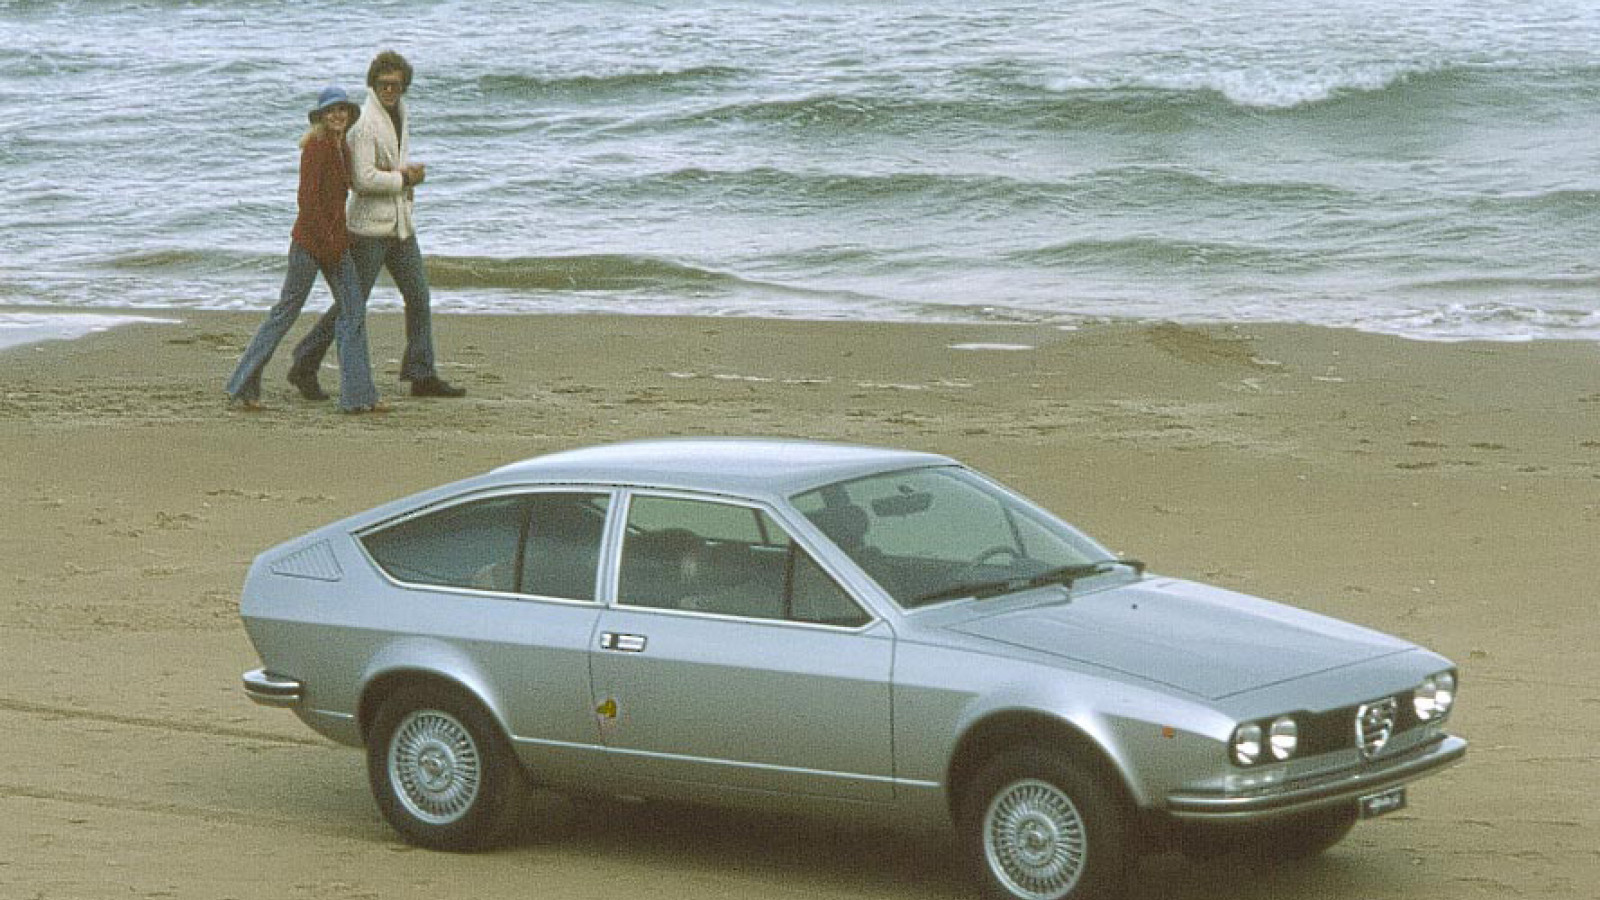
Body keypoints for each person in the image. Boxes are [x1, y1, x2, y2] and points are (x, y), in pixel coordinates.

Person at [288, 50, 465, 399]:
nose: (389, 90)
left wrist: (402, 178)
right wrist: (404, 178)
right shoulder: (365, 124)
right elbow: (362, 179)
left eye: (396, 85)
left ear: (404, 86)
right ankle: (305, 361)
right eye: (383, 84)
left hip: (400, 226)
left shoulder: (400, 112)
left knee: (418, 296)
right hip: (368, 231)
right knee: (352, 305)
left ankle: (421, 374)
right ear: (373, 84)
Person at [225, 86, 382, 414]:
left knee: (353, 311)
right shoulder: (315, 147)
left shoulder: (341, 147)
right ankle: (243, 386)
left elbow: (344, 193)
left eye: (342, 110)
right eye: (331, 111)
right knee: (286, 312)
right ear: (322, 117)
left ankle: (358, 396)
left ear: (349, 115)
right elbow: (307, 202)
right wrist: (329, 243)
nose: (338, 115)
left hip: (335, 244)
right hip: (309, 245)